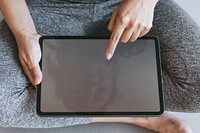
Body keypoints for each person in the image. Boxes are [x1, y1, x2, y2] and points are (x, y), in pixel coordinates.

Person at [0, 0, 199, 132]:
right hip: (42, 11)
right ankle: (137, 115)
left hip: (127, 6)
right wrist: (24, 32)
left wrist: (145, 2)